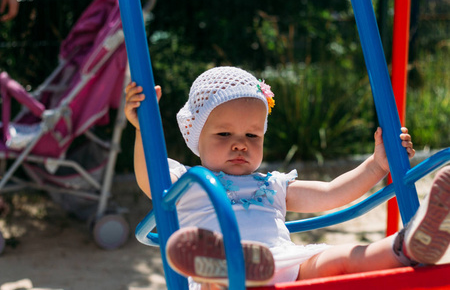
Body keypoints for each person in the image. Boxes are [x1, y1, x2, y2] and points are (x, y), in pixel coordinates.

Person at [124, 66, 449, 289]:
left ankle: (407, 245)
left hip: (280, 263)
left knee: (340, 258)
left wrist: (377, 166)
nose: (240, 143)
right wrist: (143, 130)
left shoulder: (271, 184)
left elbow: (331, 194)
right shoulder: (188, 181)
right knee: (220, 273)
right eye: (224, 133)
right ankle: (226, 269)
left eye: (253, 135)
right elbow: (150, 177)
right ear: (196, 135)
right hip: (222, 268)